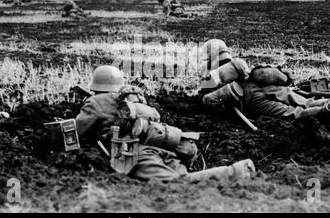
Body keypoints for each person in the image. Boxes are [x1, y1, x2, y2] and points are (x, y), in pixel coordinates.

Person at [75, 65, 255, 182]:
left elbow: (76, 133)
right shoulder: (133, 97)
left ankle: (237, 172)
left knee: (175, 185)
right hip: (162, 145)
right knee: (183, 178)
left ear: (96, 84)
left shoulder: (95, 102)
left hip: (135, 154)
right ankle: (233, 176)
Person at [200, 39, 330, 123]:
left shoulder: (214, 77)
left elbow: (210, 101)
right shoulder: (240, 66)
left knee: (295, 114)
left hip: (254, 102)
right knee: (308, 102)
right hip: (270, 87)